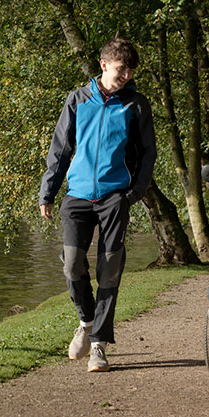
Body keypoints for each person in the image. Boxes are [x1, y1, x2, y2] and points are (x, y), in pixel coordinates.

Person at [39, 37, 157, 373]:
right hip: (77, 196)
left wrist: (134, 192)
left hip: (114, 197)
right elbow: (60, 149)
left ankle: (99, 345)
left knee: (110, 269)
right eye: (122, 69)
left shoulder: (135, 104)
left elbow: (148, 153)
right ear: (104, 65)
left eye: (131, 70)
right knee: (72, 264)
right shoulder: (78, 100)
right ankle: (86, 321)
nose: (126, 75)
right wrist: (47, 192)